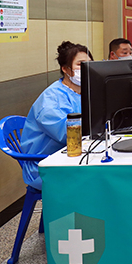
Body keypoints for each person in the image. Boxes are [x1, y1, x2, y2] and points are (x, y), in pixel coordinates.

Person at [20, 41, 93, 190]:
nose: (86, 68)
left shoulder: (84, 92)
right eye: (80, 64)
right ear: (65, 69)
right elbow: (67, 135)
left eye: (89, 64)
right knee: (98, 179)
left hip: (73, 156)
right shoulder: (51, 99)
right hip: (45, 163)